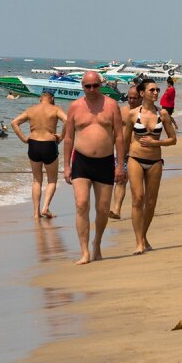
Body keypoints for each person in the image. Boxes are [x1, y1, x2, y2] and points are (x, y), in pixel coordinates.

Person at [62, 71, 125, 264]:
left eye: (95, 85)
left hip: (105, 161)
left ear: (100, 85)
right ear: (82, 87)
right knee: (82, 204)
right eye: (87, 86)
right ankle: (84, 252)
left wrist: (120, 166)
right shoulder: (75, 106)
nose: (91, 89)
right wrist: (66, 165)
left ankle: (96, 243)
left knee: (103, 209)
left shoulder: (111, 105)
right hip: (81, 161)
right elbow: (69, 137)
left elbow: (119, 137)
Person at [121, 79, 176, 254]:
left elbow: (173, 139)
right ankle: (138, 243)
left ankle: (143, 236)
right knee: (138, 199)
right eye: (152, 90)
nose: (156, 92)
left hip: (155, 162)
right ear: (142, 93)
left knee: (151, 203)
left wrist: (155, 142)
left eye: (157, 90)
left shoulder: (163, 114)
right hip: (135, 158)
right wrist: (119, 165)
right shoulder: (132, 114)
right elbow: (124, 140)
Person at [10, 90, 67, 222]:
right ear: (52, 98)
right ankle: (45, 207)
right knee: (52, 180)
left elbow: (14, 122)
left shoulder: (31, 109)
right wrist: (61, 137)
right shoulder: (56, 109)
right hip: (49, 144)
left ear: (41, 98)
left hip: (34, 144)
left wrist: (24, 139)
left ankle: (36, 214)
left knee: (36, 180)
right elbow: (68, 121)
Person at [109, 84, 141, 219]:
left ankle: (139, 208)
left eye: (135, 98)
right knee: (121, 179)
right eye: (129, 97)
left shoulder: (145, 112)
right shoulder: (122, 111)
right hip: (123, 152)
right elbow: (113, 131)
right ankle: (116, 209)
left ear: (141, 97)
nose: (131, 100)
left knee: (137, 184)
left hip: (140, 152)